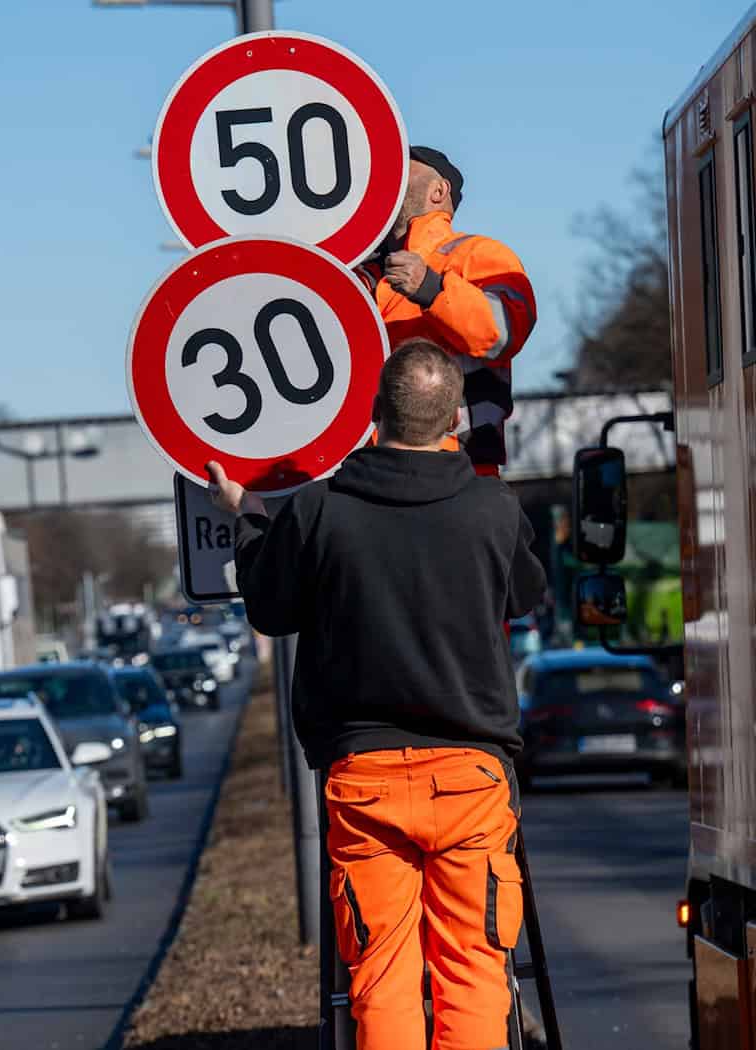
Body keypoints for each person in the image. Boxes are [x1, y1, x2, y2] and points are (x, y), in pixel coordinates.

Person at [207, 339, 548, 1050]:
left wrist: (246, 516)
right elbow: (528, 592)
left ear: (373, 413)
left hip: (363, 777)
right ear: (454, 418)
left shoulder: (318, 511)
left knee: (382, 974)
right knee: (474, 970)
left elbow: (270, 607)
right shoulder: (492, 509)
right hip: (470, 776)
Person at [362, 146, 537, 477]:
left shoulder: (479, 254)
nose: (389, 178)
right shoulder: (360, 273)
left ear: (438, 190)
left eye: (403, 169)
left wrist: (432, 289)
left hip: (460, 469)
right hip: (367, 471)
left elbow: (505, 330)